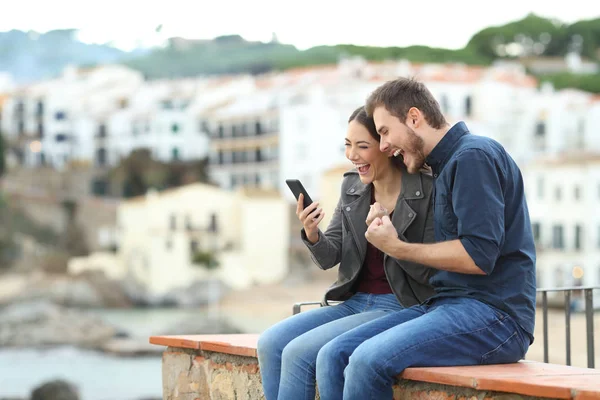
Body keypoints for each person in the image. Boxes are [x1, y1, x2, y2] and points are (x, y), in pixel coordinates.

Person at [314, 78, 537, 400]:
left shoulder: (473, 157)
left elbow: (478, 256)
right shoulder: (445, 165)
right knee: (335, 353)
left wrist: (395, 246)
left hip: (496, 316)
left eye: (386, 132)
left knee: (365, 360)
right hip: (448, 305)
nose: (385, 145)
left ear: (414, 118)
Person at [257, 106, 437, 400]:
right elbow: (330, 257)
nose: (352, 155)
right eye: (348, 145)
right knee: (271, 342)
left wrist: (388, 235)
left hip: (401, 303)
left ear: (387, 147)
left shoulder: (425, 190)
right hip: (353, 302)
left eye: (362, 146)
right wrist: (313, 233)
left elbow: (430, 269)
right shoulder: (352, 186)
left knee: (302, 352)